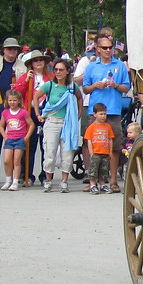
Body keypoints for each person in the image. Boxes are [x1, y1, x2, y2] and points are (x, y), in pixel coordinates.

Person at [82, 35, 131, 193]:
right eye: (105, 47)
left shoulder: (120, 66)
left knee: (114, 146)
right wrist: (96, 85)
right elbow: (85, 89)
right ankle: (93, 181)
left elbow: (126, 87)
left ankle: (113, 181)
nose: (108, 50)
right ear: (97, 48)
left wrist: (115, 85)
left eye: (110, 47)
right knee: (93, 146)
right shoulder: (91, 66)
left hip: (114, 110)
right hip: (95, 111)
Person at [34, 58, 82, 193]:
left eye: (61, 69)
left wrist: (78, 114)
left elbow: (79, 98)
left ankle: (64, 182)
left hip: (68, 123)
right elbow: (36, 97)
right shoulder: (49, 85)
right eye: (56, 69)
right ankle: (48, 180)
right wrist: (38, 114)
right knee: (50, 152)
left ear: (67, 71)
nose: (58, 72)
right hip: (52, 122)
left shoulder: (72, 86)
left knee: (67, 153)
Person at [13, 49, 54, 186]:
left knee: (47, 145)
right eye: (36, 60)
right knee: (29, 144)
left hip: (45, 112)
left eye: (41, 60)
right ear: (31, 63)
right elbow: (16, 94)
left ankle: (45, 175)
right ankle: (27, 175)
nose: (38, 62)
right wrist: (25, 81)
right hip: (29, 111)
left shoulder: (51, 77)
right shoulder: (26, 77)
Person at [0, 89, 33, 191]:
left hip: (20, 139)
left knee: (16, 161)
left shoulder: (23, 112)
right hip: (9, 139)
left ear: (19, 101)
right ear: (7, 101)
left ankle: (15, 181)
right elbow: (1, 126)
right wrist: (5, 136)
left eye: (14, 100)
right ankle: (8, 180)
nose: (12, 103)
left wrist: (26, 137)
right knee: (6, 161)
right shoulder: (5, 112)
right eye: (10, 100)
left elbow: (31, 125)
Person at [84, 102, 114, 194]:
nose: (103, 116)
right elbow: (89, 140)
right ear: (95, 114)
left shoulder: (108, 126)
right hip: (95, 152)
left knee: (104, 169)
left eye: (105, 114)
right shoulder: (91, 127)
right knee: (93, 169)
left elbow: (110, 139)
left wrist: (110, 151)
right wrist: (91, 152)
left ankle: (102, 184)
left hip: (105, 152)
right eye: (101, 114)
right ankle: (92, 185)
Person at [0, 37, 25, 106]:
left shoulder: (23, 66)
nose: (12, 51)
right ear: (3, 50)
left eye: (15, 49)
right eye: (9, 49)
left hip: (13, 104)